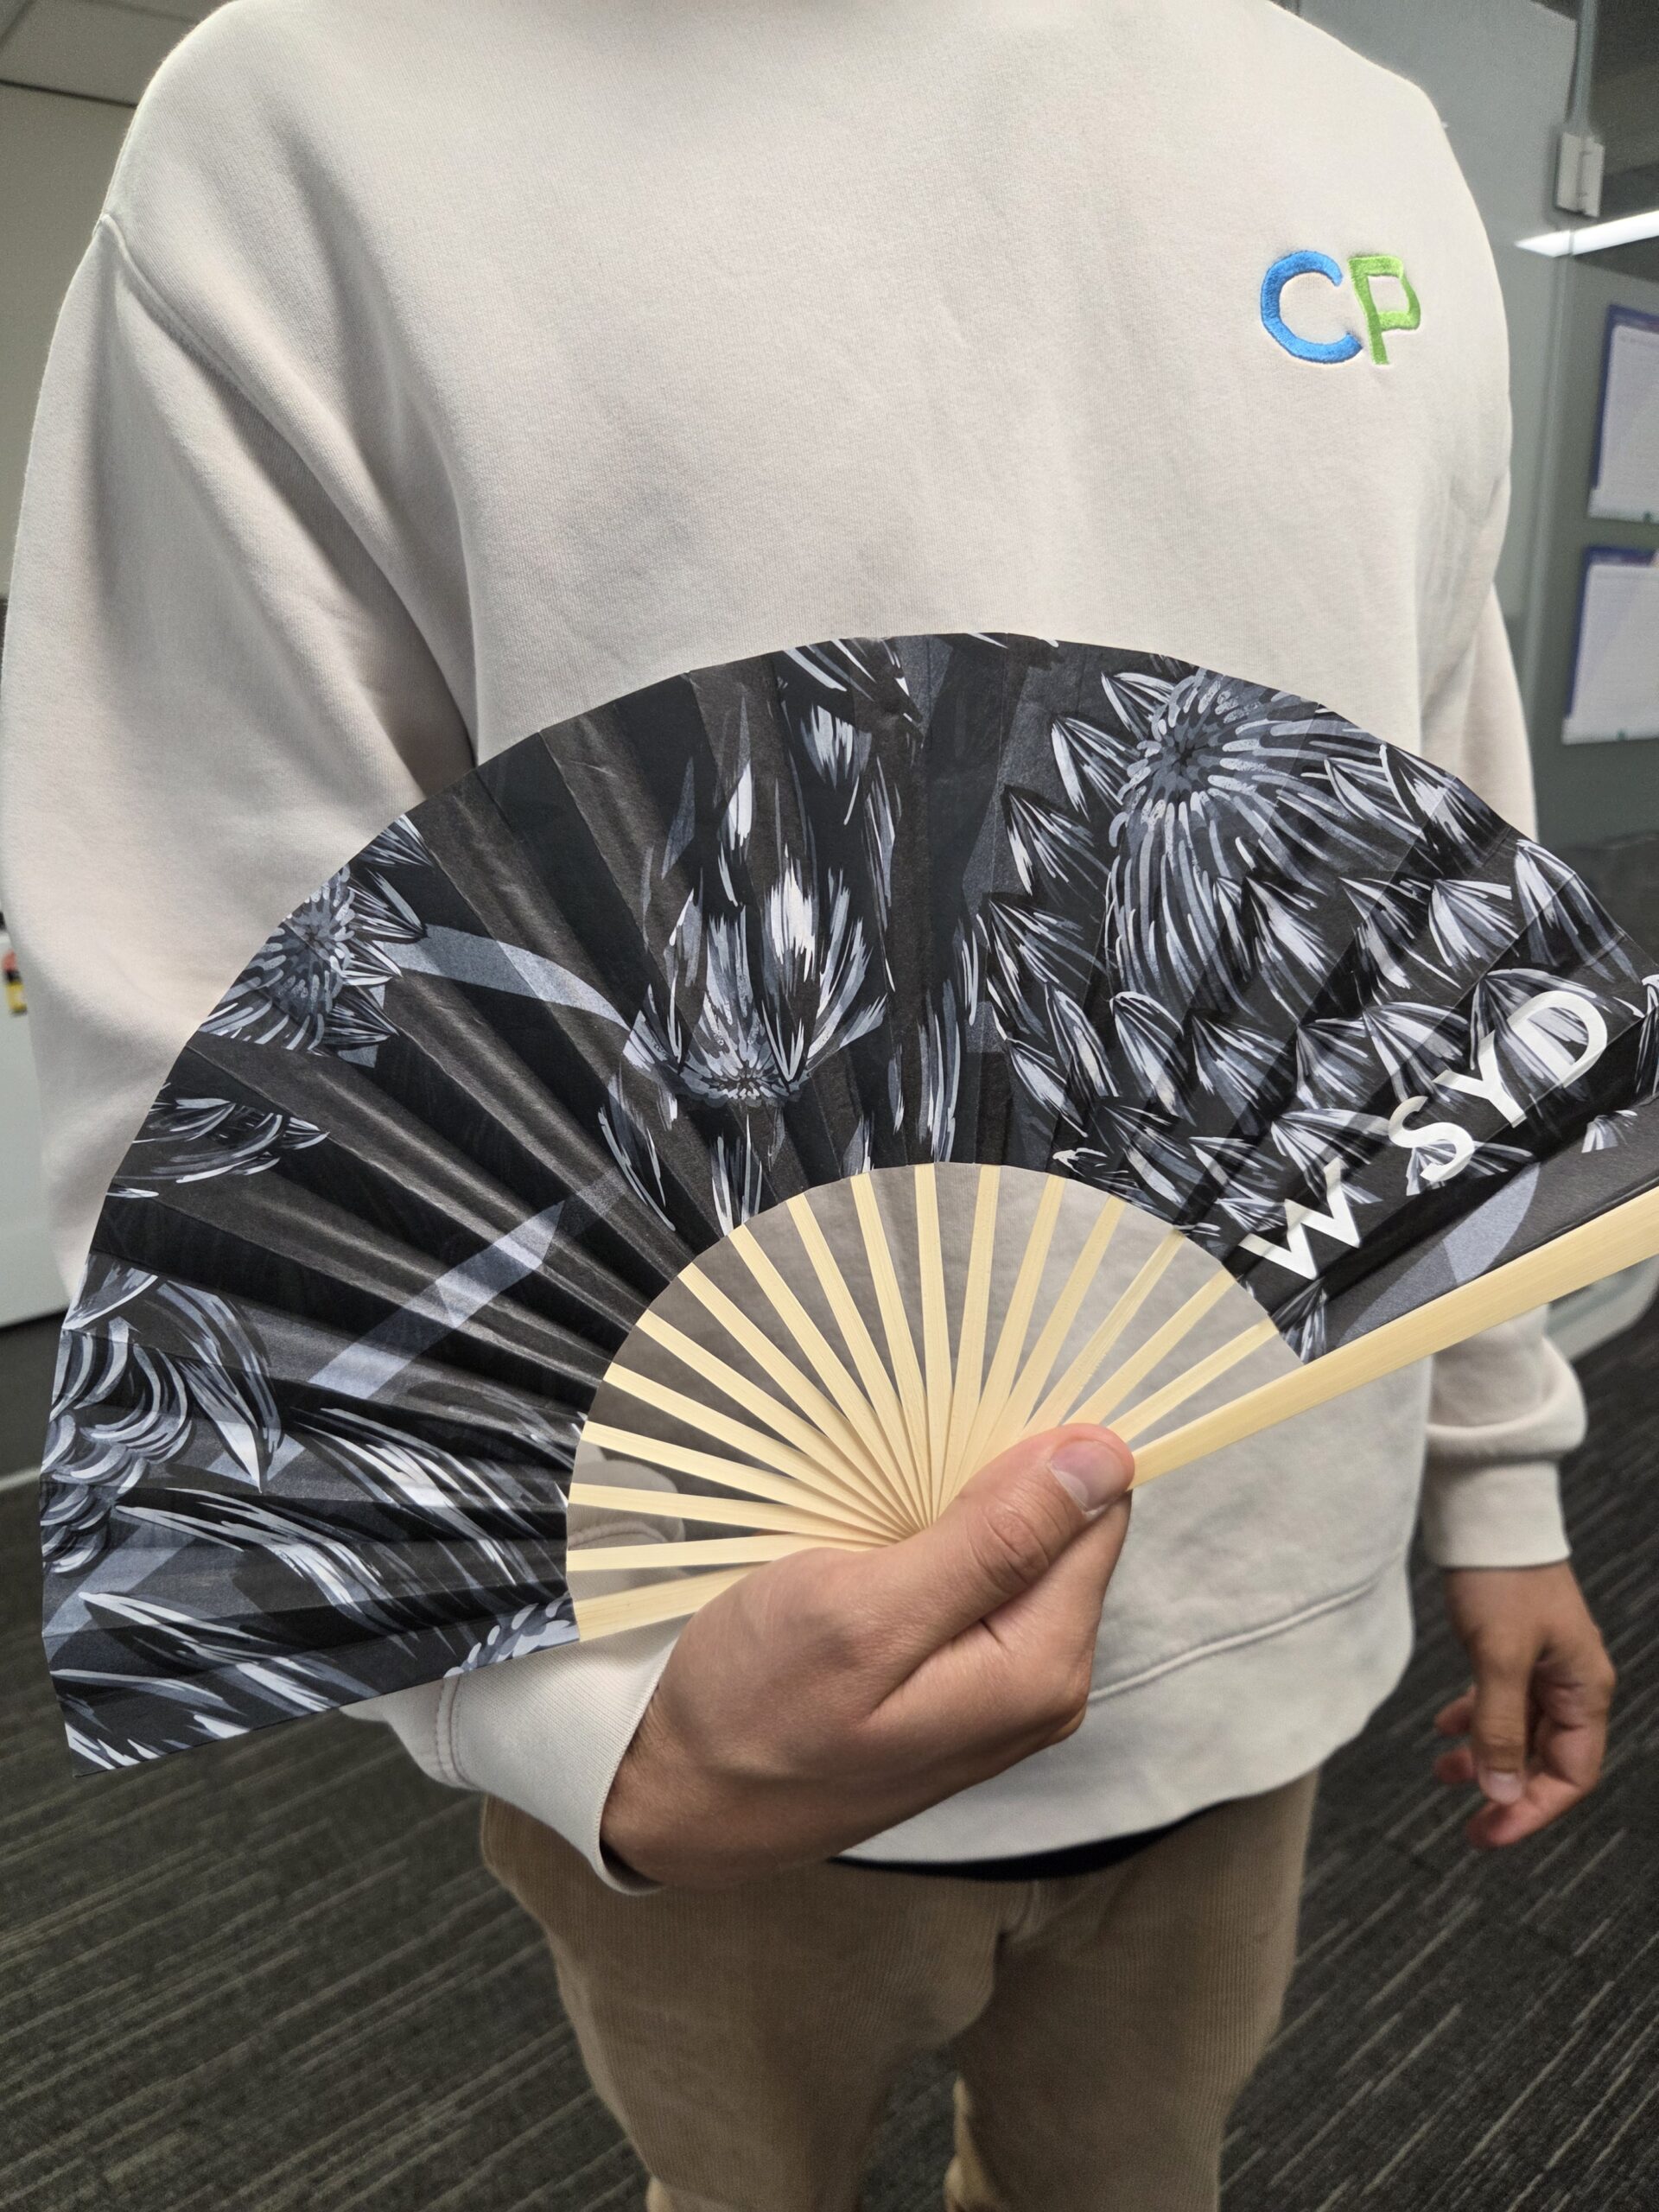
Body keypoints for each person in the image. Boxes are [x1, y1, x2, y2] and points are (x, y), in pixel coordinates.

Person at [0, 3, 1617, 2207]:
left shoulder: (1360, 134)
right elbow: (207, 1036)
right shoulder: (322, 113)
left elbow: (1432, 909)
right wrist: (587, 1731)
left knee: (1141, 2170)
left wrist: (1499, 1474)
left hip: (1272, 1602)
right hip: (694, 1664)